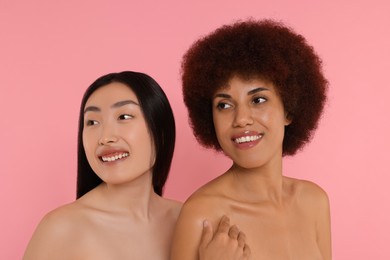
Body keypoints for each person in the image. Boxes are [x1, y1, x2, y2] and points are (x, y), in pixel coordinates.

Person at [23, 71, 249, 259]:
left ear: (160, 131)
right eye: (92, 122)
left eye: (123, 117)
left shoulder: (191, 220)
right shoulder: (61, 228)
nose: (105, 137)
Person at [171, 19, 332, 260]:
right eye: (224, 105)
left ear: (289, 109)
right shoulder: (201, 216)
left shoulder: (314, 202)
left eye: (257, 100)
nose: (241, 119)